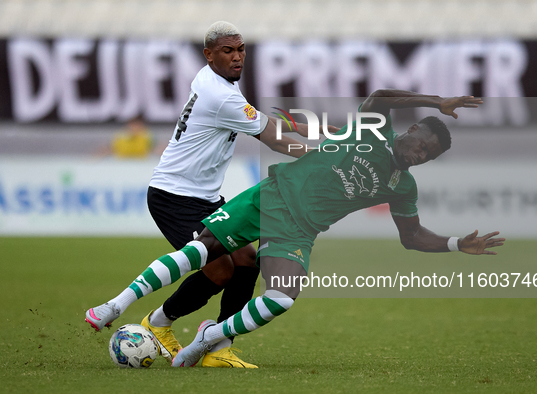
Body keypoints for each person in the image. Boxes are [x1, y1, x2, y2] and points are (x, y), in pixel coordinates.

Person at [90, 88, 505, 367]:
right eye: (422, 145)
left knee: (282, 298)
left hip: (298, 231)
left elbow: (412, 237)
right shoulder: (373, 128)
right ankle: (116, 305)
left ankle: (208, 338)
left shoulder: (403, 186)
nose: (421, 155)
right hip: (271, 196)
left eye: (429, 156)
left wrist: (454, 244)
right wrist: (436, 100)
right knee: (204, 251)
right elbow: (380, 96)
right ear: (412, 130)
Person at [86, 21, 332, 369]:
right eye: (228, 51)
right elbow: (274, 139)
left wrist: (326, 132)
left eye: (241, 49)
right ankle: (156, 322)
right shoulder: (222, 96)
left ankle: (217, 345)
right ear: (209, 54)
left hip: (202, 195)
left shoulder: (212, 81)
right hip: (174, 195)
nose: (237, 57)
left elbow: (269, 122)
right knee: (219, 271)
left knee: (247, 260)